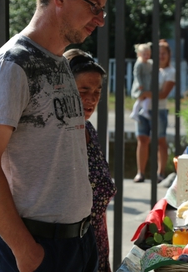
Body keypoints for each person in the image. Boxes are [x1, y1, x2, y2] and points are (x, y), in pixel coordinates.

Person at [0, 0, 109, 272]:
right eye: (94, 6)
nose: (100, 18)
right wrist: (25, 249)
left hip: (76, 244)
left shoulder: (58, 60)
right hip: (37, 247)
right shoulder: (11, 65)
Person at [65, 49, 117, 272]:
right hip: (70, 250)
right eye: (84, 90)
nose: (93, 98)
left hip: (97, 241)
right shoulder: (59, 135)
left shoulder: (88, 130)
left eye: (98, 91)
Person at [133, 40, 175, 183]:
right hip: (143, 108)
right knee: (142, 139)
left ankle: (160, 173)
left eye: (164, 53)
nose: (161, 56)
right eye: (158, 53)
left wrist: (145, 94)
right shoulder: (149, 66)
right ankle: (140, 172)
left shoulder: (170, 72)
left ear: (169, 55)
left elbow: (163, 94)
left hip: (159, 110)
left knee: (160, 141)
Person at [130, 43, 153, 122]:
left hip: (147, 84)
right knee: (140, 99)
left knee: (147, 97)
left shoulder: (149, 63)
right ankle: (135, 112)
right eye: (144, 54)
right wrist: (140, 84)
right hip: (141, 85)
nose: (147, 56)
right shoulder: (139, 64)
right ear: (139, 54)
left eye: (148, 54)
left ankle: (144, 110)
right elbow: (137, 75)